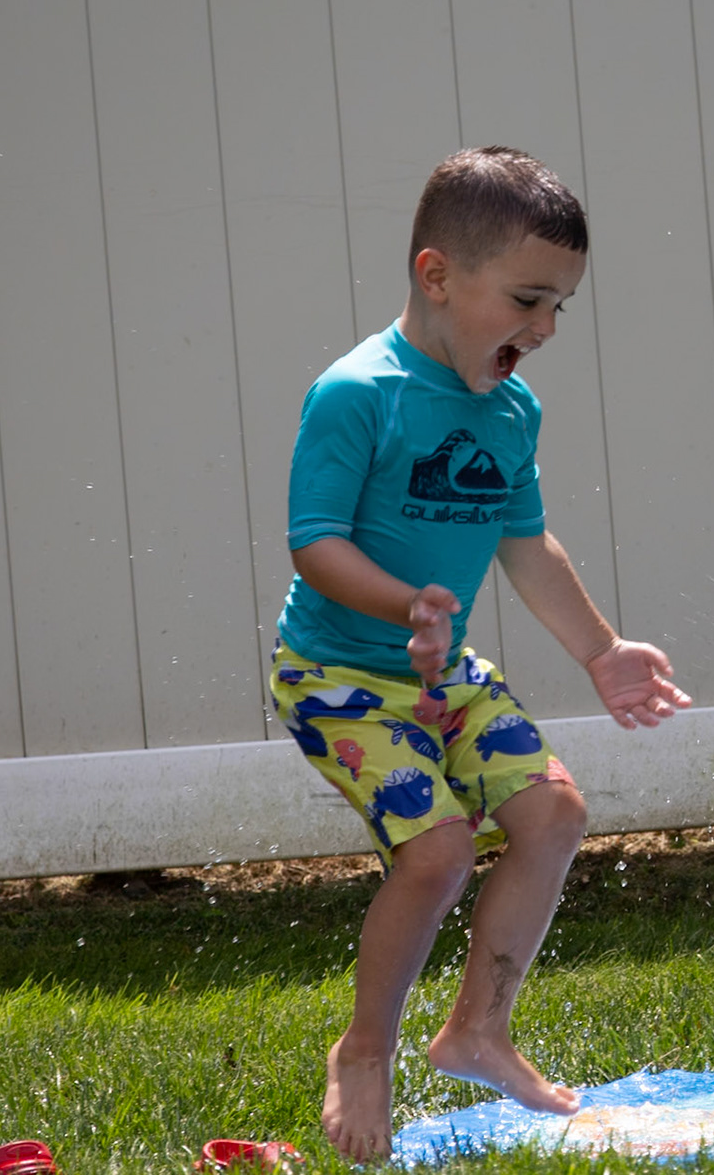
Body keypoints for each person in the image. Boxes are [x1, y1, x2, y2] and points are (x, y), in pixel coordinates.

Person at [270, 146, 692, 1162]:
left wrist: (600, 651)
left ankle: (477, 1031)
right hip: (337, 678)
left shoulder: (510, 411)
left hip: (441, 674)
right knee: (439, 853)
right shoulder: (357, 392)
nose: (544, 328)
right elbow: (313, 542)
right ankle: (364, 1048)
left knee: (554, 815)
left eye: (559, 306)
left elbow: (525, 543)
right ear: (437, 275)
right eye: (527, 300)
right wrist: (403, 601)